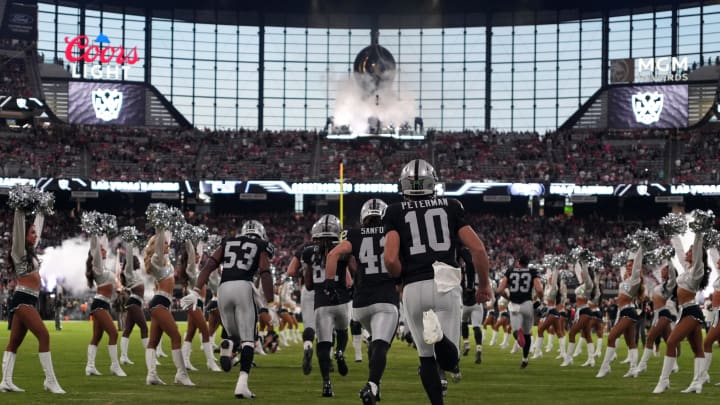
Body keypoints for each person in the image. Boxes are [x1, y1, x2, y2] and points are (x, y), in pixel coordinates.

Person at [383, 159, 491, 405]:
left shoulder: (394, 211)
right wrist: (484, 284)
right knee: (450, 360)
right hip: (444, 281)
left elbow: (389, 259)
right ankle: (440, 338)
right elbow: (478, 249)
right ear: (433, 183)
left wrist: (401, 278)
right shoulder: (451, 205)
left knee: (425, 359)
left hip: (413, 288)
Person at [183, 219, 275, 398]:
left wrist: (195, 291)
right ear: (260, 234)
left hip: (223, 289)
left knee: (235, 336)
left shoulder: (228, 242)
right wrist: (270, 303)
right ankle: (242, 385)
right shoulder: (262, 244)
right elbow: (264, 271)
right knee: (249, 340)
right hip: (244, 286)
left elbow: (209, 265)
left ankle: (228, 345)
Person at [326, 198, 399, 404]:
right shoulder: (393, 233)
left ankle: (376, 386)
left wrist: (330, 284)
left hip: (361, 303)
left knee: (375, 342)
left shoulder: (354, 235)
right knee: (381, 345)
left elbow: (333, 254)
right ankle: (372, 385)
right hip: (385, 298)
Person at [0, 193, 65, 394]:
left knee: (14, 342)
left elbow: (37, 225)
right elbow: (19, 229)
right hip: (22, 300)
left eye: (35, 233)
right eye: (32, 233)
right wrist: (20, 208)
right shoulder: (18, 250)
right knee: (44, 335)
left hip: (30, 301)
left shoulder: (30, 251)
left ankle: (5, 382)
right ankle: (50, 381)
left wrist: (42, 209)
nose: (35, 236)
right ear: (23, 235)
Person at [653, 223, 712, 393]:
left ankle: (663, 381)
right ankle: (697, 383)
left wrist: (699, 232)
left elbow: (699, 250)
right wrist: (673, 235)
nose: (686, 253)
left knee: (671, 341)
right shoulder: (688, 269)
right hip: (685, 311)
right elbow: (679, 252)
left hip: (692, 312)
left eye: (690, 251)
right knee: (697, 349)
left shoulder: (697, 271)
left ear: (696, 255)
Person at [303, 214, 351, 397]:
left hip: (321, 302)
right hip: (341, 300)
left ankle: (327, 384)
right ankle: (339, 351)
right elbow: (350, 278)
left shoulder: (308, 252)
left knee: (323, 344)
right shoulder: (343, 250)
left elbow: (308, 285)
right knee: (342, 331)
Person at [143, 220, 194, 386]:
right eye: (164, 243)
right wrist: (160, 224)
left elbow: (169, 241)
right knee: (176, 336)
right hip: (159, 304)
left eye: (167, 243)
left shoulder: (166, 262)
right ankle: (181, 374)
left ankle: (151, 375)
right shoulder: (156, 261)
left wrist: (170, 225)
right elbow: (159, 245)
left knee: (153, 341)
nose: (167, 245)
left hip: (162, 304)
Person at [84, 231, 127, 377]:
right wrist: (94, 232)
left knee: (96, 337)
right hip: (100, 305)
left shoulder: (103, 267)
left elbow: (113, 288)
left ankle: (90, 367)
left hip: (104, 304)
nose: (104, 250)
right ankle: (115, 366)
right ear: (95, 252)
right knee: (114, 333)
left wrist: (119, 290)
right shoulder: (97, 266)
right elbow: (95, 247)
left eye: (105, 249)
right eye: (101, 249)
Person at [597, 247, 644, 378]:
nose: (628, 268)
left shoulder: (635, 280)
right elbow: (622, 295)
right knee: (631, 343)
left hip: (629, 312)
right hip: (623, 311)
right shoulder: (625, 281)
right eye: (627, 266)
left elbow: (636, 267)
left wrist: (641, 247)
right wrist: (614, 300)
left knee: (612, 337)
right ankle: (634, 369)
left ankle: (605, 367)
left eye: (631, 266)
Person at [177, 236, 222, 372]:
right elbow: (191, 252)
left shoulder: (197, 269)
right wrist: (189, 238)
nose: (198, 256)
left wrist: (201, 240)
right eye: (196, 254)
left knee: (190, 333)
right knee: (205, 332)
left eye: (198, 254)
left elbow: (200, 252)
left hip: (200, 303)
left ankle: (185, 361)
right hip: (193, 303)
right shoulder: (191, 269)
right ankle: (210, 362)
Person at [497, 255, 543, 368]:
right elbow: (539, 289)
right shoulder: (532, 271)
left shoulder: (511, 270)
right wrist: (540, 299)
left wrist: (507, 297)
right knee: (528, 334)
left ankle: (518, 335)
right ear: (528, 263)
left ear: (518, 262)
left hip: (514, 305)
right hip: (527, 304)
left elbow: (500, 289)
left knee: (516, 330)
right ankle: (525, 359)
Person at [635, 259, 677, 375]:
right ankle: (674, 365)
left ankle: (642, 365)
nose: (662, 271)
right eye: (662, 269)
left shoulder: (669, 285)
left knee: (650, 338)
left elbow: (673, 277)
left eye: (665, 269)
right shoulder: (661, 285)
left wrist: (670, 262)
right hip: (657, 314)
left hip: (663, 314)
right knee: (669, 341)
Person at [119, 237, 150, 366]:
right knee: (144, 328)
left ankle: (123, 357)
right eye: (136, 260)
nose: (138, 262)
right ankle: (150, 356)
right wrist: (130, 241)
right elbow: (131, 255)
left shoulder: (136, 273)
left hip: (135, 303)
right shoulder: (129, 271)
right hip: (133, 302)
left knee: (127, 330)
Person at [562, 256, 595, 367]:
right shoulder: (582, 285)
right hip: (580, 311)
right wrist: (577, 260)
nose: (581, 274)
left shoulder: (589, 285)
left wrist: (584, 262)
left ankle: (568, 358)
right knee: (587, 335)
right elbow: (578, 271)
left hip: (585, 311)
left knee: (572, 333)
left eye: (583, 273)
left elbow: (584, 274)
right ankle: (591, 359)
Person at [459, 247, 484, 364]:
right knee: (476, 326)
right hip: (477, 302)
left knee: (463, 322)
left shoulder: (463, 270)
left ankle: (466, 344)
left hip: (465, 303)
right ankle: (479, 348)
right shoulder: (481, 269)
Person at [701, 251, 720, 384]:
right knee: (707, 342)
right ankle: (704, 374)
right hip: (716, 313)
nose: (717, 263)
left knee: (707, 342)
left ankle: (703, 375)